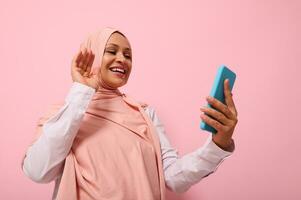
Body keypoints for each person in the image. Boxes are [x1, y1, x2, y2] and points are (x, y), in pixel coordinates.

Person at [21, 27, 238, 200]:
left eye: (128, 55)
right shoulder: (64, 112)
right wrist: (82, 92)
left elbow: (174, 178)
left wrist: (218, 143)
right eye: (111, 51)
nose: (122, 59)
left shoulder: (144, 114)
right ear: (92, 54)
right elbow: (38, 171)